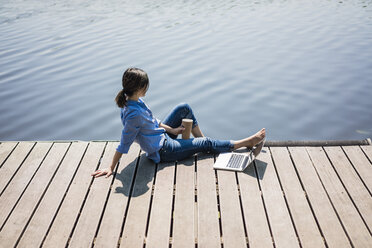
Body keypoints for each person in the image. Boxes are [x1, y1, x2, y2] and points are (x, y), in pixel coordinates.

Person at [91, 67, 266, 178]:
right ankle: (244, 142)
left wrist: (173, 130)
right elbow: (124, 143)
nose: (147, 89)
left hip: (163, 137)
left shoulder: (135, 101)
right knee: (205, 143)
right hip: (163, 150)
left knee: (184, 108)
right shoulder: (133, 115)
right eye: (146, 86)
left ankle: (205, 145)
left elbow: (153, 122)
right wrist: (111, 167)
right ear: (140, 88)